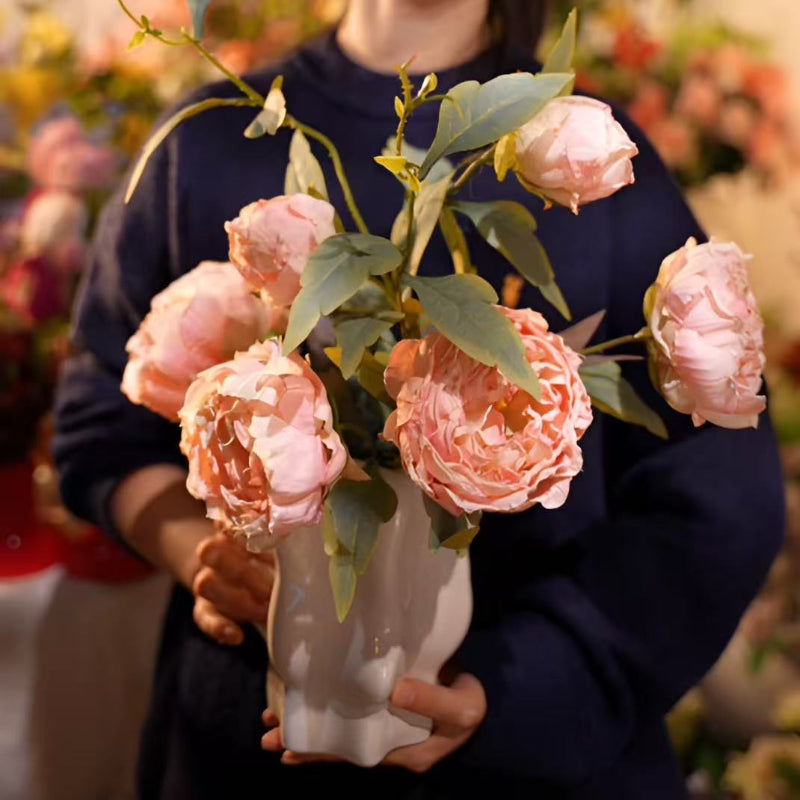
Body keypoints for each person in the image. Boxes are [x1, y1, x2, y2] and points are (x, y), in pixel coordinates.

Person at [52, 0, 786, 797]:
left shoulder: (590, 162)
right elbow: (101, 421)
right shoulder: (207, 140)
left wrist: (531, 681)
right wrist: (200, 550)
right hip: (251, 730)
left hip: (534, 746)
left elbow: (719, 503)